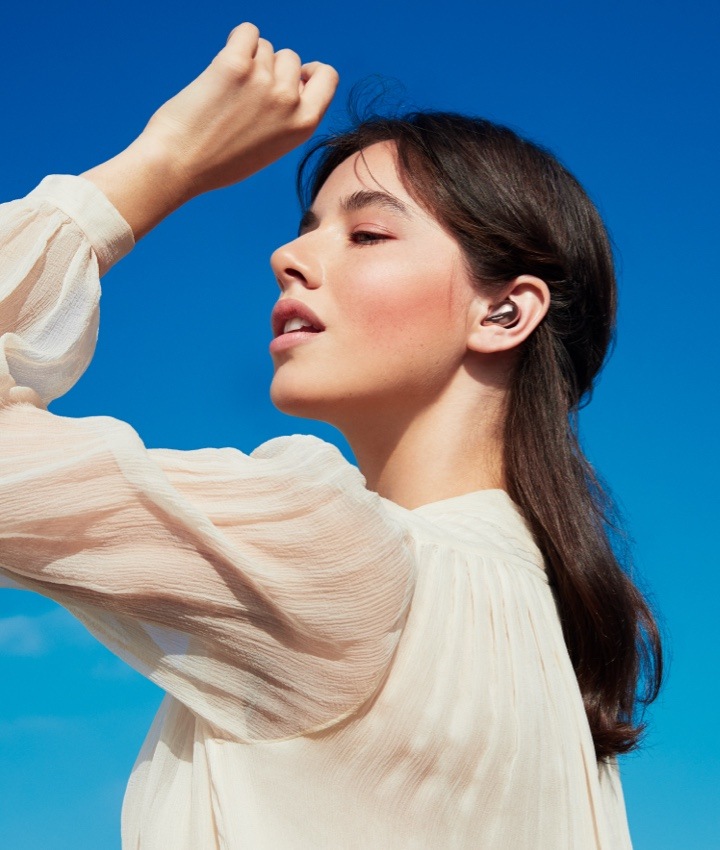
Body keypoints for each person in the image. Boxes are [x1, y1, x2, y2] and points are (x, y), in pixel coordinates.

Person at [0, 22, 661, 849]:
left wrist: (157, 167)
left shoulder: (338, 557)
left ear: (502, 312)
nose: (288, 254)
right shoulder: (567, 682)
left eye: (367, 232)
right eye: (308, 227)